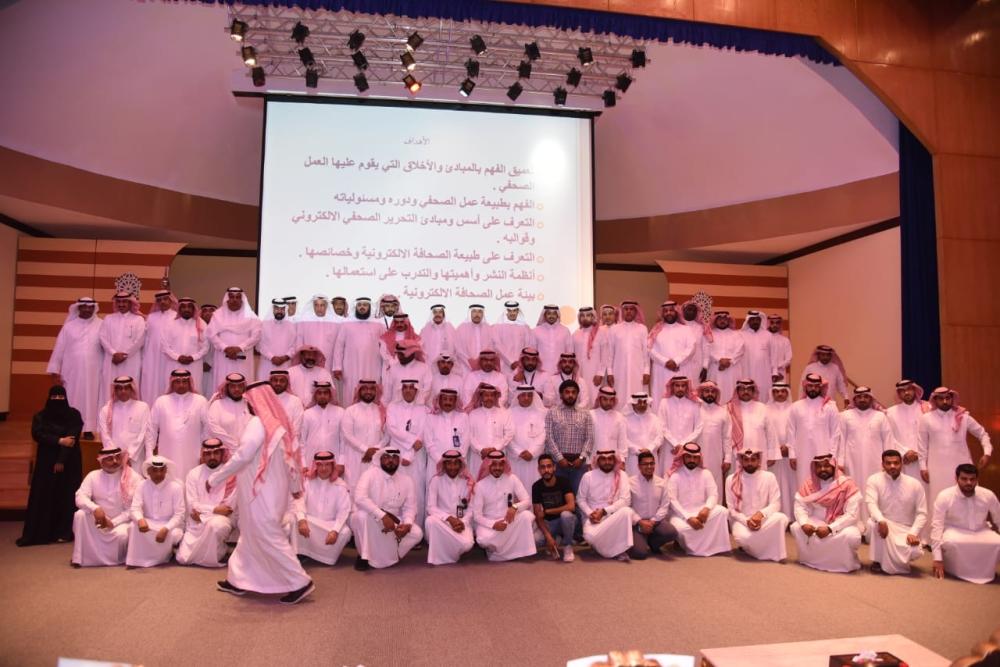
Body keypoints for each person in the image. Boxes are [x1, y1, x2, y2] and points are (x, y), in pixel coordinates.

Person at [208, 381, 313, 605]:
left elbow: (243, 455)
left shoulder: (258, 424)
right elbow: (292, 462)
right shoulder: (279, 425)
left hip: (260, 496)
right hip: (269, 494)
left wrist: (215, 478)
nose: (247, 405)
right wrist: (295, 488)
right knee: (249, 537)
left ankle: (300, 581)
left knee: (268, 536)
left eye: (249, 401)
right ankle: (238, 580)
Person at [918, 387, 992, 531]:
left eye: (948, 398)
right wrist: (923, 467)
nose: (945, 401)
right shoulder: (926, 419)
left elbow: (982, 434)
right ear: (935, 400)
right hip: (937, 468)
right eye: (941, 398)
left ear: (952, 399)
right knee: (937, 500)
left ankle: (970, 531)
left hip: (962, 467)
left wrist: (987, 452)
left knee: (967, 499)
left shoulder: (963, 417)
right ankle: (937, 535)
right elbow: (922, 446)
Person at [18, 386, 83, 546]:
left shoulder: (74, 414)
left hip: (69, 461)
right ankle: (44, 532)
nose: (58, 400)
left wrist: (60, 460)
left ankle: (64, 532)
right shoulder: (40, 416)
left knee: (66, 495)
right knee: (45, 494)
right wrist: (59, 440)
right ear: (49, 398)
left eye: (61, 397)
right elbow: (38, 434)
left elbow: (72, 438)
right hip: (46, 461)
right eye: (54, 397)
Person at [352, 448, 423, 570]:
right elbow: (360, 498)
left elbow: (410, 507)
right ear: (379, 459)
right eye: (386, 457)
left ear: (398, 460)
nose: (390, 460)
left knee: (417, 533)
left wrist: (407, 524)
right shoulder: (369, 474)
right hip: (372, 519)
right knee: (361, 516)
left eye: (394, 457)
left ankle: (392, 554)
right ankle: (363, 556)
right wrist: (382, 516)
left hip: (393, 521)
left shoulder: (407, 480)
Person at [790, 454, 862, 573]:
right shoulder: (809, 484)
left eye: (826, 466)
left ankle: (843, 564)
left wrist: (830, 528)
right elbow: (799, 506)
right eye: (819, 466)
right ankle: (810, 560)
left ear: (834, 466)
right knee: (796, 527)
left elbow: (852, 514)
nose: (822, 469)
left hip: (840, 522)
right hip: (817, 520)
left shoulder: (847, 484)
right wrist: (804, 523)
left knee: (851, 535)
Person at [71, 445, 141, 567]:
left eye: (118, 457)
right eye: (110, 458)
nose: (115, 461)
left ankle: (115, 560)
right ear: (101, 461)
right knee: (80, 515)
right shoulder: (93, 476)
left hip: (122, 522)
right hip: (99, 520)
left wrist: (113, 522)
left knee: (122, 536)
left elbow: (135, 508)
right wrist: (95, 508)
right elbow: (80, 496)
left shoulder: (132, 477)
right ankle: (79, 558)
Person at [930, 463, 1000, 584]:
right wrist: (937, 559)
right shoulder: (945, 496)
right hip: (954, 531)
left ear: (977, 479)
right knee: (952, 542)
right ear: (956, 478)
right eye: (964, 479)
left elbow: (998, 518)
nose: (969, 482)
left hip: (981, 530)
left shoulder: (988, 495)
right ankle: (954, 569)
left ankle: (984, 571)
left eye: (972, 479)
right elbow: (937, 526)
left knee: (997, 542)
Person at [865, 449, 927, 575]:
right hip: (884, 526)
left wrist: (913, 533)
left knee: (915, 551)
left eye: (896, 463)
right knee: (872, 523)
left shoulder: (915, 484)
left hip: (905, 529)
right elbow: (871, 503)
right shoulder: (874, 480)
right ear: (882, 465)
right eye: (888, 463)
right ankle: (877, 561)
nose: (892, 466)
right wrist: (881, 520)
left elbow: (922, 513)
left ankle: (894, 560)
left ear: (901, 464)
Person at [47, 297, 102, 436]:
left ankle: (89, 429)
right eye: (84, 306)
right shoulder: (68, 327)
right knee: (72, 398)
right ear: (78, 308)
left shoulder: (101, 325)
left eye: (90, 307)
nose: (87, 309)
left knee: (91, 400)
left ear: (94, 308)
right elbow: (59, 349)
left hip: (94, 372)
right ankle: (71, 428)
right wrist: (55, 370)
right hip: (71, 372)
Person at [176, 439, 236, 568]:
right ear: (203, 455)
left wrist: (204, 514)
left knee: (216, 525)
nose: (212, 457)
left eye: (216, 453)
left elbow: (227, 508)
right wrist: (214, 510)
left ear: (222, 453)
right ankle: (220, 549)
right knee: (183, 558)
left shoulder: (230, 473)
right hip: (197, 522)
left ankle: (220, 549)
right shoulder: (194, 473)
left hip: (219, 519)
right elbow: (192, 504)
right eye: (208, 454)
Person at [840, 386, 894, 524]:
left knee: (874, 490)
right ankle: (855, 522)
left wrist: (889, 463)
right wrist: (840, 462)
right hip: (852, 462)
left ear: (871, 398)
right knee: (854, 492)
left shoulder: (880, 416)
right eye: (859, 397)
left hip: (875, 462)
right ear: (854, 399)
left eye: (866, 396)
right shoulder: (845, 416)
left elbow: (888, 440)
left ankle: (875, 523)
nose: (862, 399)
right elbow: (840, 440)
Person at [667, 443, 731, 557]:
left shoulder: (706, 473)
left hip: (702, 514)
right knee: (681, 528)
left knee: (722, 511)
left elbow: (713, 494)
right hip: (681, 515)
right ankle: (683, 543)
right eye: (689, 457)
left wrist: (706, 509)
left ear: (699, 458)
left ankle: (716, 547)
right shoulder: (675, 476)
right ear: (683, 457)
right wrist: (688, 518)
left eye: (695, 457)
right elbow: (672, 501)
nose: (692, 460)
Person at [472, 450, 537, 561]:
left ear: (504, 465)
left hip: (508, 521)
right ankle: (501, 552)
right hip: (490, 524)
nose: (497, 468)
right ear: (488, 465)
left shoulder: (512, 479)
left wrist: (515, 507)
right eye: (494, 464)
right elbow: (476, 516)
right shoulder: (480, 485)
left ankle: (509, 552)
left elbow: (527, 501)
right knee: (483, 540)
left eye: (500, 464)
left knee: (527, 516)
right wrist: (493, 524)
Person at [291, 451, 353, 565]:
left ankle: (325, 557)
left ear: (332, 465)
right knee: (295, 518)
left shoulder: (340, 485)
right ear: (315, 466)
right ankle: (301, 553)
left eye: (327, 465)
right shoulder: (307, 481)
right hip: (310, 523)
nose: (324, 468)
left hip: (328, 526)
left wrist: (335, 530)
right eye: (320, 465)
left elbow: (344, 510)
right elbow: (299, 502)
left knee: (345, 532)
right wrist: (302, 520)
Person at [726, 449, 788, 561]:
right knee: (742, 537)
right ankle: (762, 549)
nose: (749, 463)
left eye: (753, 460)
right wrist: (746, 521)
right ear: (741, 461)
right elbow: (731, 509)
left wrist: (760, 514)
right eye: (746, 460)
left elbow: (776, 504)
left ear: (759, 460)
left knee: (781, 518)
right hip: (742, 521)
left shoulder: (769, 477)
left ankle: (769, 552)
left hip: (763, 519)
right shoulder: (731, 479)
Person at [544, 380, 595, 515]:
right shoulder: (552, 413)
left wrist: (582, 458)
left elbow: (590, 438)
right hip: (558, 464)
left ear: (577, 394)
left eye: (573, 392)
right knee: (558, 498)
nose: (570, 395)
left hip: (579, 465)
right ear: (561, 394)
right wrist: (560, 458)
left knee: (579, 498)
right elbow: (549, 437)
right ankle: (559, 526)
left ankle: (578, 526)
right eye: (567, 392)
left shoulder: (585, 414)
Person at [385, 378, 429, 528]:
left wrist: (409, 455)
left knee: (416, 491)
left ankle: (415, 527)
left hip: (417, 458)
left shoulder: (424, 410)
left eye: (412, 387)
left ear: (417, 390)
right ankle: (395, 527)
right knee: (396, 490)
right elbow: (392, 429)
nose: (408, 390)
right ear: (401, 390)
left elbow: (423, 434)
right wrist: (410, 443)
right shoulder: (392, 407)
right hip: (396, 456)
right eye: (405, 387)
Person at [149, 369, 209, 480]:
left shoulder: (200, 401)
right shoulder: (161, 401)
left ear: (189, 383)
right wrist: (149, 455)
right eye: (177, 381)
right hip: (167, 452)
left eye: (184, 381)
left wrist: (204, 452)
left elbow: (207, 428)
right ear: (172, 383)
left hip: (193, 454)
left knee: (191, 480)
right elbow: (151, 429)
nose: (181, 385)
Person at [125, 456, 184, 568]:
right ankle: (136, 560)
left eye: (161, 470)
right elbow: (135, 507)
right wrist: (140, 519)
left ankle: (163, 556)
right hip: (149, 522)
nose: (158, 474)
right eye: (155, 470)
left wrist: (166, 528)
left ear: (166, 470)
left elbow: (179, 515)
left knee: (175, 534)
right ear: (148, 471)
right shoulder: (142, 485)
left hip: (168, 524)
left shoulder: (176, 487)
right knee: (133, 526)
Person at [577, 449, 635, 560]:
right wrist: (590, 514)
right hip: (594, 518)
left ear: (614, 460)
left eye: (610, 459)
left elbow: (625, 500)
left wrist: (604, 511)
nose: (607, 462)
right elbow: (580, 499)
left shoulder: (622, 475)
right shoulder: (588, 476)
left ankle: (619, 550)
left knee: (627, 511)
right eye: (603, 459)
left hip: (613, 516)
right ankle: (608, 549)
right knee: (589, 537)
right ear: (598, 461)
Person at [786, 373, 842, 488]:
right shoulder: (796, 407)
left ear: (820, 387)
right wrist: (792, 454)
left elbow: (835, 433)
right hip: (802, 454)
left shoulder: (830, 407)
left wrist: (832, 455)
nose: (813, 389)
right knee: (803, 484)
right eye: (810, 386)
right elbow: (791, 432)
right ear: (805, 386)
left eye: (816, 386)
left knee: (824, 485)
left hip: (824, 454)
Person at [425, 449, 476, 565]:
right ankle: (441, 556)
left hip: (461, 523)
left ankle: (446, 553)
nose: (452, 467)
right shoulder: (436, 481)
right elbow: (431, 507)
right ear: (444, 465)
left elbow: (471, 508)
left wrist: (463, 522)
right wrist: (449, 519)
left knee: (468, 544)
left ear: (460, 465)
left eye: (455, 463)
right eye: (449, 463)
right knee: (430, 521)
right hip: (443, 522)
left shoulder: (468, 482)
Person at [98, 292, 146, 408]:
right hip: (112, 360)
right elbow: (102, 337)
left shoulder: (138, 320)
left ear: (130, 303)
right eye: (119, 302)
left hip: (131, 361)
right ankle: (108, 415)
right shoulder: (108, 319)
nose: (121, 304)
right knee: (109, 388)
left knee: (130, 387)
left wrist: (124, 355)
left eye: (124, 302)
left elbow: (140, 340)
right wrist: (114, 353)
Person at [340, 379, 387, 492]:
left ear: (376, 391)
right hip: (355, 458)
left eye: (371, 389)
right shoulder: (350, 411)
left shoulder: (381, 411)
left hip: (375, 458)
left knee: (374, 489)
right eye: (365, 389)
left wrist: (376, 449)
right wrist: (366, 449)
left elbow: (387, 434)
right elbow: (347, 435)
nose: (368, 392)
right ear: (359, 391)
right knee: (354, 488)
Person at [205, 287, 261, 383]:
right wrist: (225, 348)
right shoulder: (217, 315)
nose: (234, 300)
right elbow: (211, 334)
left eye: (238, 297)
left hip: (243, 356)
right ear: (227, 299)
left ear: (242, 300)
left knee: (243, 382)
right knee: (222, 382)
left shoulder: (252, 317)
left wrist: (240, 347)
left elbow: (256, 336)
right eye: (231, 297)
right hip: (223, 356)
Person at [98, 376, 152, 473]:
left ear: (131, 389)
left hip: (135, 458)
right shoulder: (106, 410)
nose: (123, 391)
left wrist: (129, 455)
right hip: (114, 460)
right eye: (120, 388)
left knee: (136, 481)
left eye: (126, 388)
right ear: (115, 390)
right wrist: (117, 456)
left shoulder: (143, 407)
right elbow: (105, 436)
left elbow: (143, 434)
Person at [334, 297, 384, 402]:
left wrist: (385, 368)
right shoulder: (346, 324)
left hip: (373, 367)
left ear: (370, 307)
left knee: (371, 391)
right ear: (355, 307)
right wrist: (337, 367)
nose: (362, 307)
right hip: (351, 368)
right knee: (350, 392)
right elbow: (339, 346)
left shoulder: (379, 325)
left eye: (365, 305)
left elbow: (384, 348)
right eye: (359, 305)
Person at [628, 450, 677, 560]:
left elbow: (665, 505)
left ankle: (652, 542)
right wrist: (640, 521)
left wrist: (653, 521)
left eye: (652, 463)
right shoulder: (630, 483)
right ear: (639, 466)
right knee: (639, 554)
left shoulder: (662, 483)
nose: (649, 466)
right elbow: (627, 506)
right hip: (637, 524)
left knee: (672, 533)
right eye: (645, 464)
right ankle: (639, 540)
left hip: (655, 522)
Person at [648, 301, 696, 407]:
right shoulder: (655, 330)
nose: (668, 313)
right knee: (661, 398)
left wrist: (676, 361)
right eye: (665, 311)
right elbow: (650, 349)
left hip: (681, 369)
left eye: (671, 310)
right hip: (661, 370)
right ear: (662, 313)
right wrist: (665, 362)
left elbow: (691, 348)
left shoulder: (686, 329)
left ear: (676, 312)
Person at [531, 453, 577, 562]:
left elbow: (571, 506)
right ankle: (556, 538)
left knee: (566, 515)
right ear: (539, 470)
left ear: (554, 467)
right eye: (543, 467)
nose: (546, 470)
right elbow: (538, 515)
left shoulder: (564, 482)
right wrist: (548, 537)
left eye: (549, 466)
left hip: (566, 521)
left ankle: (568, 546)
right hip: (550, 524)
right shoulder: (536, 486)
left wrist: (547, 511)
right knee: (535, 540)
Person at [161, 297, 211, 394]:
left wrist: (193, 357)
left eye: (189, 307)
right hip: (174, 363)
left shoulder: (201, 324)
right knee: (173, 389)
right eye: (183, 307)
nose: (186, 309)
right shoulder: (170, 323)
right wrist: (177, 357)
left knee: (195, 387)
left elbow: (206, 346)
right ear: (179, 309)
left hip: (194, 364)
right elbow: (165, 345)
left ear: (193, 309)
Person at [885, 379, 931, 483]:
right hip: (903, 459)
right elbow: (889, 437)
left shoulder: (927, 408)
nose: (906, 392)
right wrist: (905, 452)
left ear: (915, 390)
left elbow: (932, 435)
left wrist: (918, 453)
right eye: (902, 390)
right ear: (898, 393)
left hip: (925, 459)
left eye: (909, 389)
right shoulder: (890, 412)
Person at [656, 376, 702, 477]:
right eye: (677, 385)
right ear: (673, 387)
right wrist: (675, 444)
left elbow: (698, 427)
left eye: (683, 386)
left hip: (688, 449)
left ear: (687, 387)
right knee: (667, 476)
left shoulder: (694, 403)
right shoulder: (664, 403)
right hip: (669, 448)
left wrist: (683, 445)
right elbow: (661, 426)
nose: (680, 388)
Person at [727, 379, 773, 475]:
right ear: (737, 391)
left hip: (758, 453)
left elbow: (771, 433)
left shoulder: (763, 408)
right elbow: (724, 435)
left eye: (748, 389)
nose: (745, 391)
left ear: (753, 391)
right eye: (742, 389)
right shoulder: (728, 409)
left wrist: (772, 454)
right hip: (735, 455)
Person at [607, 301, 649, 405]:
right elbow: (610, 353)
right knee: (619, 396)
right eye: (626, 309)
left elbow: (646, 352)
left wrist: (647, 371)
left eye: (631, 309)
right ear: (622, 311)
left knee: (637, 396)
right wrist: (610, 372)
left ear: (636, 311)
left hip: (638, 370)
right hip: (619, 370)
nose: (629, 311)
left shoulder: (642, 329)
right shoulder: (614, 329)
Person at [765, 382, 797, 518]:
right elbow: (764, 432)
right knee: (775, 485)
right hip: (773, 455)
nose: (780, 394)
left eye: (783, 391)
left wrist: (789, 448)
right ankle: (774, 516)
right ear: (772, 393)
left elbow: (797, 431)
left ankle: (791, 517)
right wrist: (774, 450)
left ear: (787, 393)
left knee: (791, 485)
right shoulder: (765, 409)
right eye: (776, 391)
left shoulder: (794, 409)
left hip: (790, 455)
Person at [423, 388, 472, 476]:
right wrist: (441, 461)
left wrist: (455, 461)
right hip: (435, 463)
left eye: (451, 399)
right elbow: (429, 443)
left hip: (457, 465)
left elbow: (465, 441)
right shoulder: (430, 418)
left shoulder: (463, 417)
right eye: (444, 399)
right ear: (439, 401)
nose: (447, 402)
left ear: (455, 401)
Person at [507, 385, 548, 490]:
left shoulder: (542, 413)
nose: (526, 398)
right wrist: (519, 452)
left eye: (529, 395)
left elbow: (543, 434)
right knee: (515, 487)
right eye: (523, 395)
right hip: (516, 459)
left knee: (534, 486)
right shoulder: (508, 413)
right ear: (518, 396)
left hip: (534, 459)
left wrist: (532, 452)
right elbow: (507, 436)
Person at [140, 290, 177, 403]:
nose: (162, 302)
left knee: (166, 381)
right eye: (159, 300)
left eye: (165, 299)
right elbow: (145, 338)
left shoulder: (176, 317)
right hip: (151, 356)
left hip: (169, 357)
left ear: (171, 301)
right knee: (151, 382)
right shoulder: (151, 317)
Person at [696, 381, 732, 495]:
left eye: (713, 391)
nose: (710, 394)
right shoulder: (695, 410)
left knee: (715, 484)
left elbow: (727, 437)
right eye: (706, 391)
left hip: (716, 457)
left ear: (717, 394)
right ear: (701, 393)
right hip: (696, 456)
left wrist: (727, 458)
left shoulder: (723, 412)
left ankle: (716, 506)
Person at [206, 373, 252, 454]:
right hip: (225, 452)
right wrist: (234, 446)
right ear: (227, 388)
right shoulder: (217, 404)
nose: (237, 389)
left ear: (244, 387)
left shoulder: (249, 404)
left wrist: (245, 447)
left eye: (240, 386)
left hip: (247, 452)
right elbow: (213, 429)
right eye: (233, 386)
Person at [468, 383, 514, 463]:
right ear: (481, 397)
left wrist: (496, 448)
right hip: (478, 457)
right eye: (486, 395)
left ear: (495, 397)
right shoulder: (473, 414)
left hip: (498, 455)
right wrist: (481, 449)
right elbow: (469, 435)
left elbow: (509, 433)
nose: (489, 398)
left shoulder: (504, 413)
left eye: (491, 395)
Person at [295, 294, 341, 376]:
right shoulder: (304, 321)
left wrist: (337, 366)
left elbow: (338, 346)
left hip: (329, 362)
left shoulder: (336, 322)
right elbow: (299, 342)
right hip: (309, 360)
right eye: (316, 305)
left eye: (322, 305)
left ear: (326, 306)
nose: (319, 308)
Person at [299, 380, 344, 463]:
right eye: (319, 393)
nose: (322, 396)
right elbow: (302, 441)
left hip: (335, 459)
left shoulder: (340, 412)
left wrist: (341, 462)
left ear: (330, 395)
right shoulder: (307, 414)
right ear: (315, 395)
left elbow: (343, 440)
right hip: (311, 459)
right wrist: (303, 463)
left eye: (325, 393)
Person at [706, 311, 744, 405]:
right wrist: (719, 360)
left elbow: (740, 349)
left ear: (729, 320)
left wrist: (729, 361)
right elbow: (707, 350)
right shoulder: (710, 334)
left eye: (724, 319)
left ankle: (732, 411)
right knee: (714, 390)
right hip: (715, 368)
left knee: (732, 391)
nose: (722, 321)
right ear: (715, 320)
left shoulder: (737, 334)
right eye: (720, 319)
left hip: (732, 369)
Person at [623, 393, 664, 478]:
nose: (642, 405)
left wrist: (649, 449)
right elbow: (623, 439)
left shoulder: (655, 419)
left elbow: (660, 437)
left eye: (644, 402)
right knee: (633, 482)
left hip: (651, 456)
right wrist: (636, 450)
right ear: (633, 404)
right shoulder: (625, 420)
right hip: (633, 458)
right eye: (639, 402)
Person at [257, 298, 298, 381]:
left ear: (285, 309)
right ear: (273, 309)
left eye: (282, 309)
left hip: (285, 364)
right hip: (267, 364)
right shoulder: (264, 324)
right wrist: (272, 357)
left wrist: (284, 358)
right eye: (277, 308)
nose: (279, 311)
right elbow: (260, 345)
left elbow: (295, 345)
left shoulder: (291, 325)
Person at [572, 306, 609, 393]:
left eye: (588, 315)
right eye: (582, 316)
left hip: (595, 374)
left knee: (594, 394)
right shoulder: (575, 334)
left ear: (593, 317)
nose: (585, 318)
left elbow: (605, 356)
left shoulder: (601, 333)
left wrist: (600, 373)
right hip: (579, 374)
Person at [382, 340, 432, 406]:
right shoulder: (393, 369)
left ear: (412, 353)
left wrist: (415, 405)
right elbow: (387, 395)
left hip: (418, 409)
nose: (399, 357)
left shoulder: (424, 368)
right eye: (398, 354)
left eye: (402, 354)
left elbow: (427, 391)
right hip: (396, 410)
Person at [493, 301, 535, 378]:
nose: (512, 313)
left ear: (518, 311)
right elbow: (497, 346)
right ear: (506, 312)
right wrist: (511, 362)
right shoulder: (497, 327)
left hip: (522, 365)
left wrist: (521, 362)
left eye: (514, 310)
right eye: (509, 311)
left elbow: (528, 346)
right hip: (504, 365)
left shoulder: (525, 327)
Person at [738, 311, 772, 395]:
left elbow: (773, 355)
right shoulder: (740, 334)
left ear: (761, 321)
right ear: (748, 321)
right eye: (753, 319)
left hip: (764, 371)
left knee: (764, 392)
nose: (755, 322)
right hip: (746, 370)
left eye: (757, 320)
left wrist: (774, 371)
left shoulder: (768, 335)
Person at [591, 386, 628, 464]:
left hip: (613, 460)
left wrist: (622, 460)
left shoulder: (620, 417)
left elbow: (622, 441)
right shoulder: (590, 415)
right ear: (599, 399)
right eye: (605, 399)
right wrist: (588, 461)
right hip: (594, 459)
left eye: (611, 400)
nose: (608, 402)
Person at [533, 305, 573, 376]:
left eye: (554, 313)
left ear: (557, 315)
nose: (551, 316)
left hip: (560, 372)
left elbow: (570, 351)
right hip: (540, 372)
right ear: (544, 315)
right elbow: (532, 352)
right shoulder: (535, 331)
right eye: (549, 313)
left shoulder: (565, 331)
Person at [455, 304, 494, 372]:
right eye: (474, 311)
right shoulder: (461, 328)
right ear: (470, 313)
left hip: (484, 366)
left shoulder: (488, 328)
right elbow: (459, 349)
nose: (477, 314)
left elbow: (491, 347)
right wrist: (470, 363)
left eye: (480, 312)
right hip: (465, 367)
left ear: (483, 314)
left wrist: (482, 362)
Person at [680, 301, 710, 384]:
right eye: (689, 309)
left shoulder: (702, 328)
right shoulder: (678, 327)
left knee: (695, 387)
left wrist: (705, 366)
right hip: (681, 364)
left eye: (693, 310)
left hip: (697, 364)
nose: (691, 312)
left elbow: (706, 348)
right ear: (683, 311)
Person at [269, 369, 304, 435]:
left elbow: (297, 426)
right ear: (270, 382)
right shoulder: (264, 400)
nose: (278, 383)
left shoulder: (295, 401)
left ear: (287, 383)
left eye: (282, 381)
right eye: (275, 380)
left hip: (290, 438)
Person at [766, 314, 792, 385]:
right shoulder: (763, 339)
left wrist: (777, 368)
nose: (775, 325)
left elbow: (788, 359)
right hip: (765, 371)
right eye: (772, 322)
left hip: (780, 373)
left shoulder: (785, 340)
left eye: (777, 323)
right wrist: (770, 368)